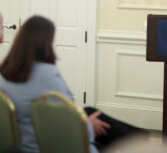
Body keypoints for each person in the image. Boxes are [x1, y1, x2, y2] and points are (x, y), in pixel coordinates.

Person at [0, 15, 144, 153]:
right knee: (98, 123)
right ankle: (143, 142)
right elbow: (68, 116)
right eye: (52, 40)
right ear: (43, 43)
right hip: (48, 146)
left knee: (89, 112)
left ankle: (140, 139)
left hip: (22, 143)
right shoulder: (46, 73)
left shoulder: (4, 72)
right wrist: (87, 125)